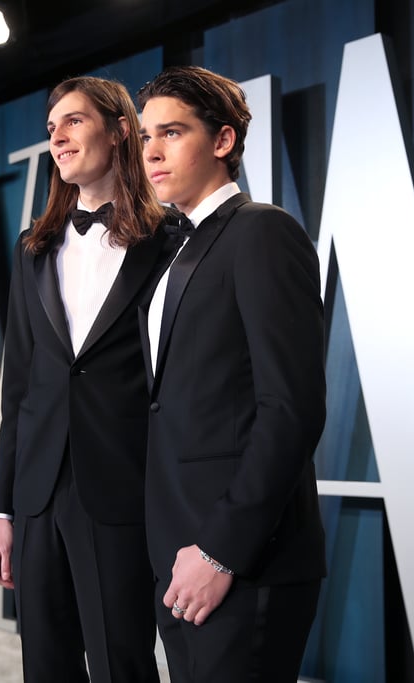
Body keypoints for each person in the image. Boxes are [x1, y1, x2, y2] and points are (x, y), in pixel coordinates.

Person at [137, 65, 327, 682]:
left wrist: (221, 550)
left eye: (171, 132)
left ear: (222, 141)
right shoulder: (175, 251)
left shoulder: (263, 231)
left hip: (243, 559)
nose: (152, 151)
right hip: (180, 553)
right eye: (144, 137)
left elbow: (291, 408)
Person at [0, 76, 170, 683]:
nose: (58, 138)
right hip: (37, 494)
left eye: (73, 121)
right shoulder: (32, 249)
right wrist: (2, 511)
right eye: (51, 128)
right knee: (45, 666)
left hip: (121, 489)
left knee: (123, 665)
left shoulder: (170, 242)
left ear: (120, 131)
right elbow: (19, 389)